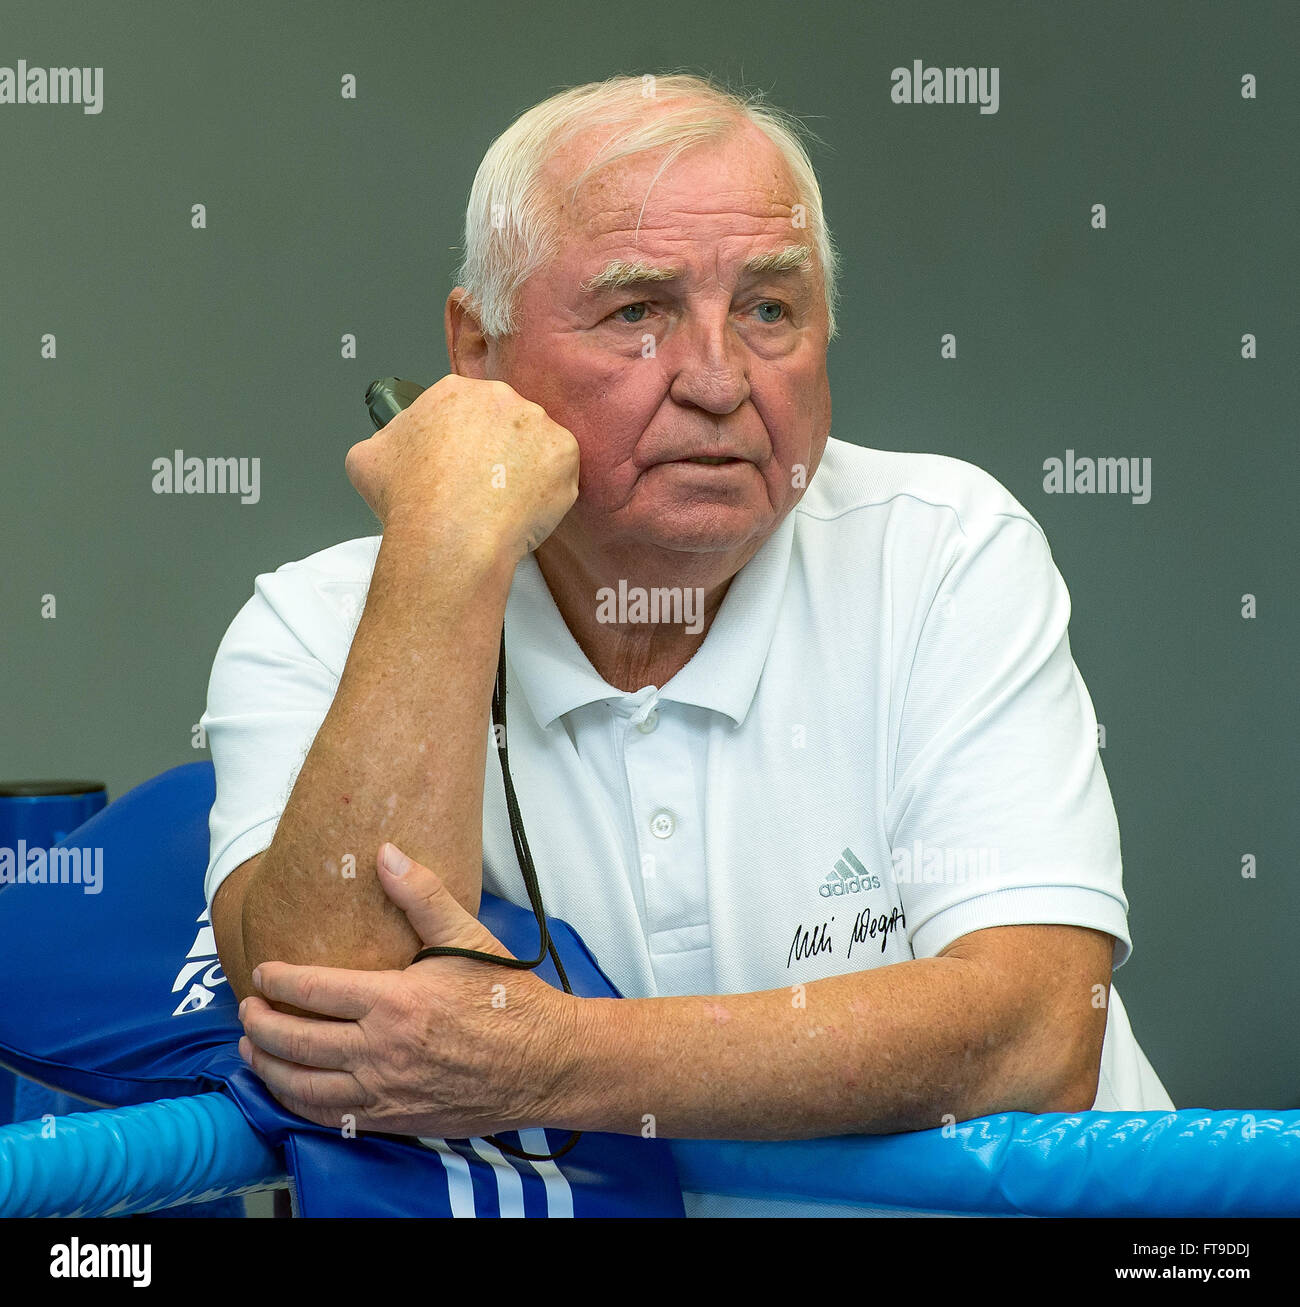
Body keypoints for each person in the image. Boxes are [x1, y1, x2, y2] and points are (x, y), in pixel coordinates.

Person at [203, 71, 1172, 1218]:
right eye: (636, 311)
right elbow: (332, 1032)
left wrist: (553, 1057)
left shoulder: (944, 546)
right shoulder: (316, 622)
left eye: (768, 308)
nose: (718, 381)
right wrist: (444, 554)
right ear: (477, 349)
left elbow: (1035, 1031)